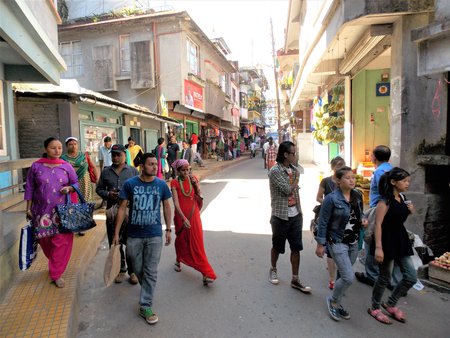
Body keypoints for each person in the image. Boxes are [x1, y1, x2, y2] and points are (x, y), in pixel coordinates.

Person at [113, 153, 172, 325]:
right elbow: (122, 209)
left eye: (156, 164)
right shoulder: (130, 184)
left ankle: (145, 305)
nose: (155, 167)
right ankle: (145, 287)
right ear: (142, 166)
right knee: (137, 268)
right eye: (151, 164)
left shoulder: (161, 184)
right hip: (134, 235)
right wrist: (116, 233)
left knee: (151, 270)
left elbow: (167, 206)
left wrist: (168, 229)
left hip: (154, 234)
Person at [25, 137, 78, 288]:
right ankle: (55, 262)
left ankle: (56, 273)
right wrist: (28, 208)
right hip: (41, 212)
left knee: (61, 242)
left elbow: (75, 184)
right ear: (46, 149)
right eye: (53, 147)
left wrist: (69, 188)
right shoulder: (36, 167)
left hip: (62, 212)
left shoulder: (66, 166)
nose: (57, 150)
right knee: (46, 242)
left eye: (60, 148)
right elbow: (29, 188)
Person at [315, 167, 367, 321]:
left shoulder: (357, 195)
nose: (352, 180)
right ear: (338, 181)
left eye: (353, 177)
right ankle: (333, 301)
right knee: (349, 277)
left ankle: (337, 302)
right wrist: (320, 244)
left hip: (354, 241)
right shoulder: (331, 199)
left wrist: (363, 219)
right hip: (337, 241)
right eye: (348, 178)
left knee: (343, 275)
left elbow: (360, 212)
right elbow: (323, 222)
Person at [368, 168, 417, 324]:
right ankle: (375, 307)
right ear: (393, 182)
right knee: (384, 277)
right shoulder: (384, 202)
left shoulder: (402, 198)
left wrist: (411, 210)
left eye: (408, 181)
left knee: (411, 277)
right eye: (404, 181)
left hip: (400, 240)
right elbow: (378, 225)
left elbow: (399, 217)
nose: (407, 184)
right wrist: (378, 247)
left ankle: (390, 303)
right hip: (386, 241)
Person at [268, 141, 311, 293]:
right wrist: (296, 181)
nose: (296, 155)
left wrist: (295, 180)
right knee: (277, 246)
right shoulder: (275, 171)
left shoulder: (294, 170)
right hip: (280, 215)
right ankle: (273, 269)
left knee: (296, 248)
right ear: (285, 155)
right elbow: (287, 190)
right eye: (293, 153)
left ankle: (295, 278)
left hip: (296, 214)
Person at [96, 144, 139, 284]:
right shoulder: (106, 172)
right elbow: (99, 189)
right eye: (113, 154)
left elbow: (139, 188)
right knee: (115, 241)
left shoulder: (132, 171)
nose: (115, 157)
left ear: (124, 155)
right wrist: (109, 194)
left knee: (131, 242)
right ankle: (121, 270)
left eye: (118, 154)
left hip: (130, 211)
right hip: (112, 212)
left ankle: (132, 271)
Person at [170, 159, 216, 285]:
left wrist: (195, 185)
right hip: (181, 217)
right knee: (181, 240)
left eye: (188, 170)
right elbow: (176, 203)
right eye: (183, 170)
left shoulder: (193, 178)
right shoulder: (174, 183)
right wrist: (183, 218)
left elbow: (199, 196)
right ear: (178, 171)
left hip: (193, 215)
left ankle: (205, 273)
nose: (186, 172)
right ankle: (178, 260)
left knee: (197, 243)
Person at [355, 145, 393, 286]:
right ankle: (385, 275)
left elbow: (384, 193)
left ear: (375, 157)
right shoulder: (392, 169)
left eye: (371, 155)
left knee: (370, 239)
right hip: (388, 209)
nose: (370, 157)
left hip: (378, 209)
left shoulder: (379, 172)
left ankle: (371, 275)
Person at [315, 156, 346, 290]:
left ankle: (341, 274)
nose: (340, 169)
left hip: (343, 220)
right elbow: (318, 197)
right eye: (338, 166)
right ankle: (332, 279)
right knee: (330, 250)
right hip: (329, 219)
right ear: (332, 168)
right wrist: (330, 204)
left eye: (342, 166)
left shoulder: (347, 181)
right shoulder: (326, 182)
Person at [61, 136, 97, 236]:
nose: (73, 146)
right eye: (70, 144)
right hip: (70, 184)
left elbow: (93, 167)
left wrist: (97, 180)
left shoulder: (84, 156)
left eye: (75, 144)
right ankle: (74, 224)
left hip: (85, 183)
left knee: (84, 203)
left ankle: (82, 226)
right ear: (66, 146)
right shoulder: (63, 158)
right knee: (73, 203)